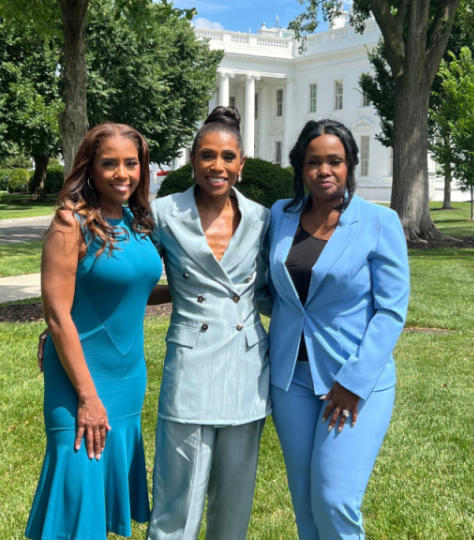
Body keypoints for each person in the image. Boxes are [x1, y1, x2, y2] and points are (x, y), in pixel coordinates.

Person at [267, 119, 410, 539]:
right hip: (289, 379)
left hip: (350, 381)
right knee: (306, 502)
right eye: (314, 162)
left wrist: (354, 381)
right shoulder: (281, 215)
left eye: (335, 161)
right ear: (300, 167)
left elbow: (390, 312)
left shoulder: (379, 222)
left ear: (350, 166)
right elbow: (271, 290)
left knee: (334, 499)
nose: (324, 170)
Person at [25, 123, 163, 540]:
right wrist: (87, 397)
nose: (122, 174)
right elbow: (57, 315)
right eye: (110, 164)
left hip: (127, 378)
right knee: (75, 497)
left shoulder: (139, 222)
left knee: (97, 505)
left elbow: (133, 289)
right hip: (79, 380)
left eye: (131, 163)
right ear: (90, 167)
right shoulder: (71, 224)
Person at [145, 106, 271, 540]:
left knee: (234, 505)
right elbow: (125, 276)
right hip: (191, 364)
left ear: (242, 164)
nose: (218, 166)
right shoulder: (162, 213)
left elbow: (272, 289)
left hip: (247, 366)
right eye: (207, 156)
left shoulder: (261, 217)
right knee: (177, 505)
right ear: (193, 159)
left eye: (228, 157)